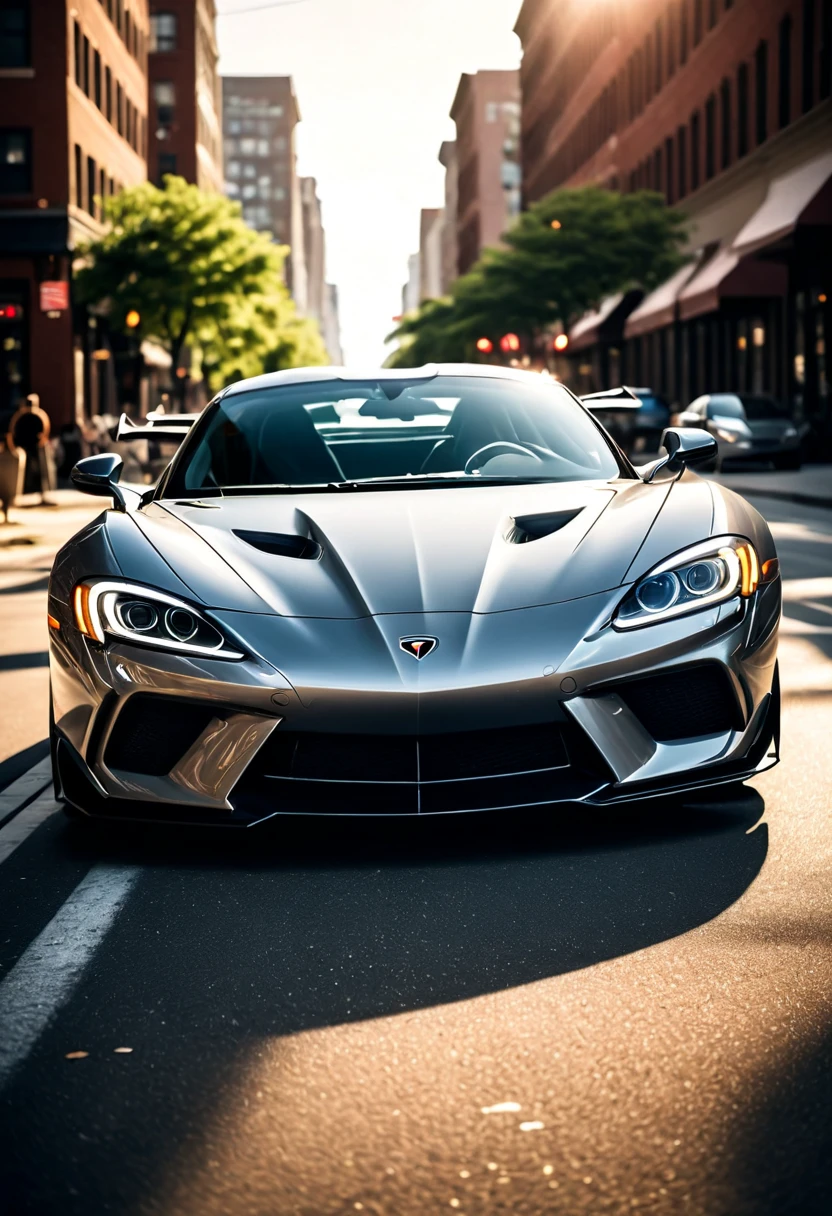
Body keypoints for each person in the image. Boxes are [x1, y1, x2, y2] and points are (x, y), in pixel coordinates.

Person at [6, 392, 54, 505]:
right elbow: (14, 431)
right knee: (25, 472)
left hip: (35, 447)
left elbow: (44, 430)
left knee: (41, 471)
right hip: (27, 447)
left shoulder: (32, 416)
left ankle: (41, 493)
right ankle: (22, 493)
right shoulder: (23, 416)